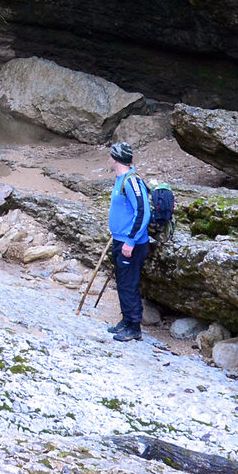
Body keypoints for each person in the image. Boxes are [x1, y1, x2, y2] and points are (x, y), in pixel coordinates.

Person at [106, 140, 151, 342]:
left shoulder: (131, 181)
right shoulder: (120, 179)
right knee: (123, 282)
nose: (108, 159)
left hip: (131, 244)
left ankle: (134, 327)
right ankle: (126, 321)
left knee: (129, 284)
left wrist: (130, 240)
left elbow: (143, 212)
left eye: (110, 155)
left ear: (115, 158)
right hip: (120, 240)